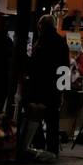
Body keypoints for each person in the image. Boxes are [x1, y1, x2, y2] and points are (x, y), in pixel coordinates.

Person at [27, 14, 70, 156]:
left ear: (41, 25)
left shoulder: (40, 42)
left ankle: (39, 143)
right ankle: (53, 149)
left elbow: (35, 66)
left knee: (35, 116)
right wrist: (63, 88)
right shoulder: (60, 41)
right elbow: (65, 66)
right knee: (53, 120)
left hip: (39, 85)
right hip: (54, 86)